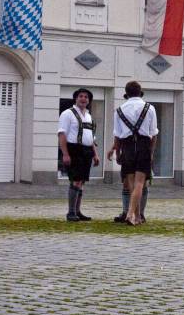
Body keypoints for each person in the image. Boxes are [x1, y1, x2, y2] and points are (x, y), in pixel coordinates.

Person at [111, 81, 158, 226]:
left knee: (131, 183)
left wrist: (117, 152)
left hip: (127, 146)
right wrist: (151, 152)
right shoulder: (149, 108)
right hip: (143, 144)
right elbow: (153, 134)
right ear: (140, 92)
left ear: (126, 93)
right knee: (140, 183)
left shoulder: (119, 110)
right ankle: (131, 214)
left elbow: (117, 135)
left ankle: (137, 216)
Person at [58, 88, 100, 222]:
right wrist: (65, 154)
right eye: (81, 96)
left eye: (86, 97)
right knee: (75, 180)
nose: (83, 99)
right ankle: (70, 212)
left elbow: (91, 138)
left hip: (87, 150)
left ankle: (78, 211)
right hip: (74, 149)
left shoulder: (88, 116)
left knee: (81, 182)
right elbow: (62, 134)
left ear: (89, 101)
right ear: (75, 99)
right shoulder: (67, 114)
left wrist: (95, 154)